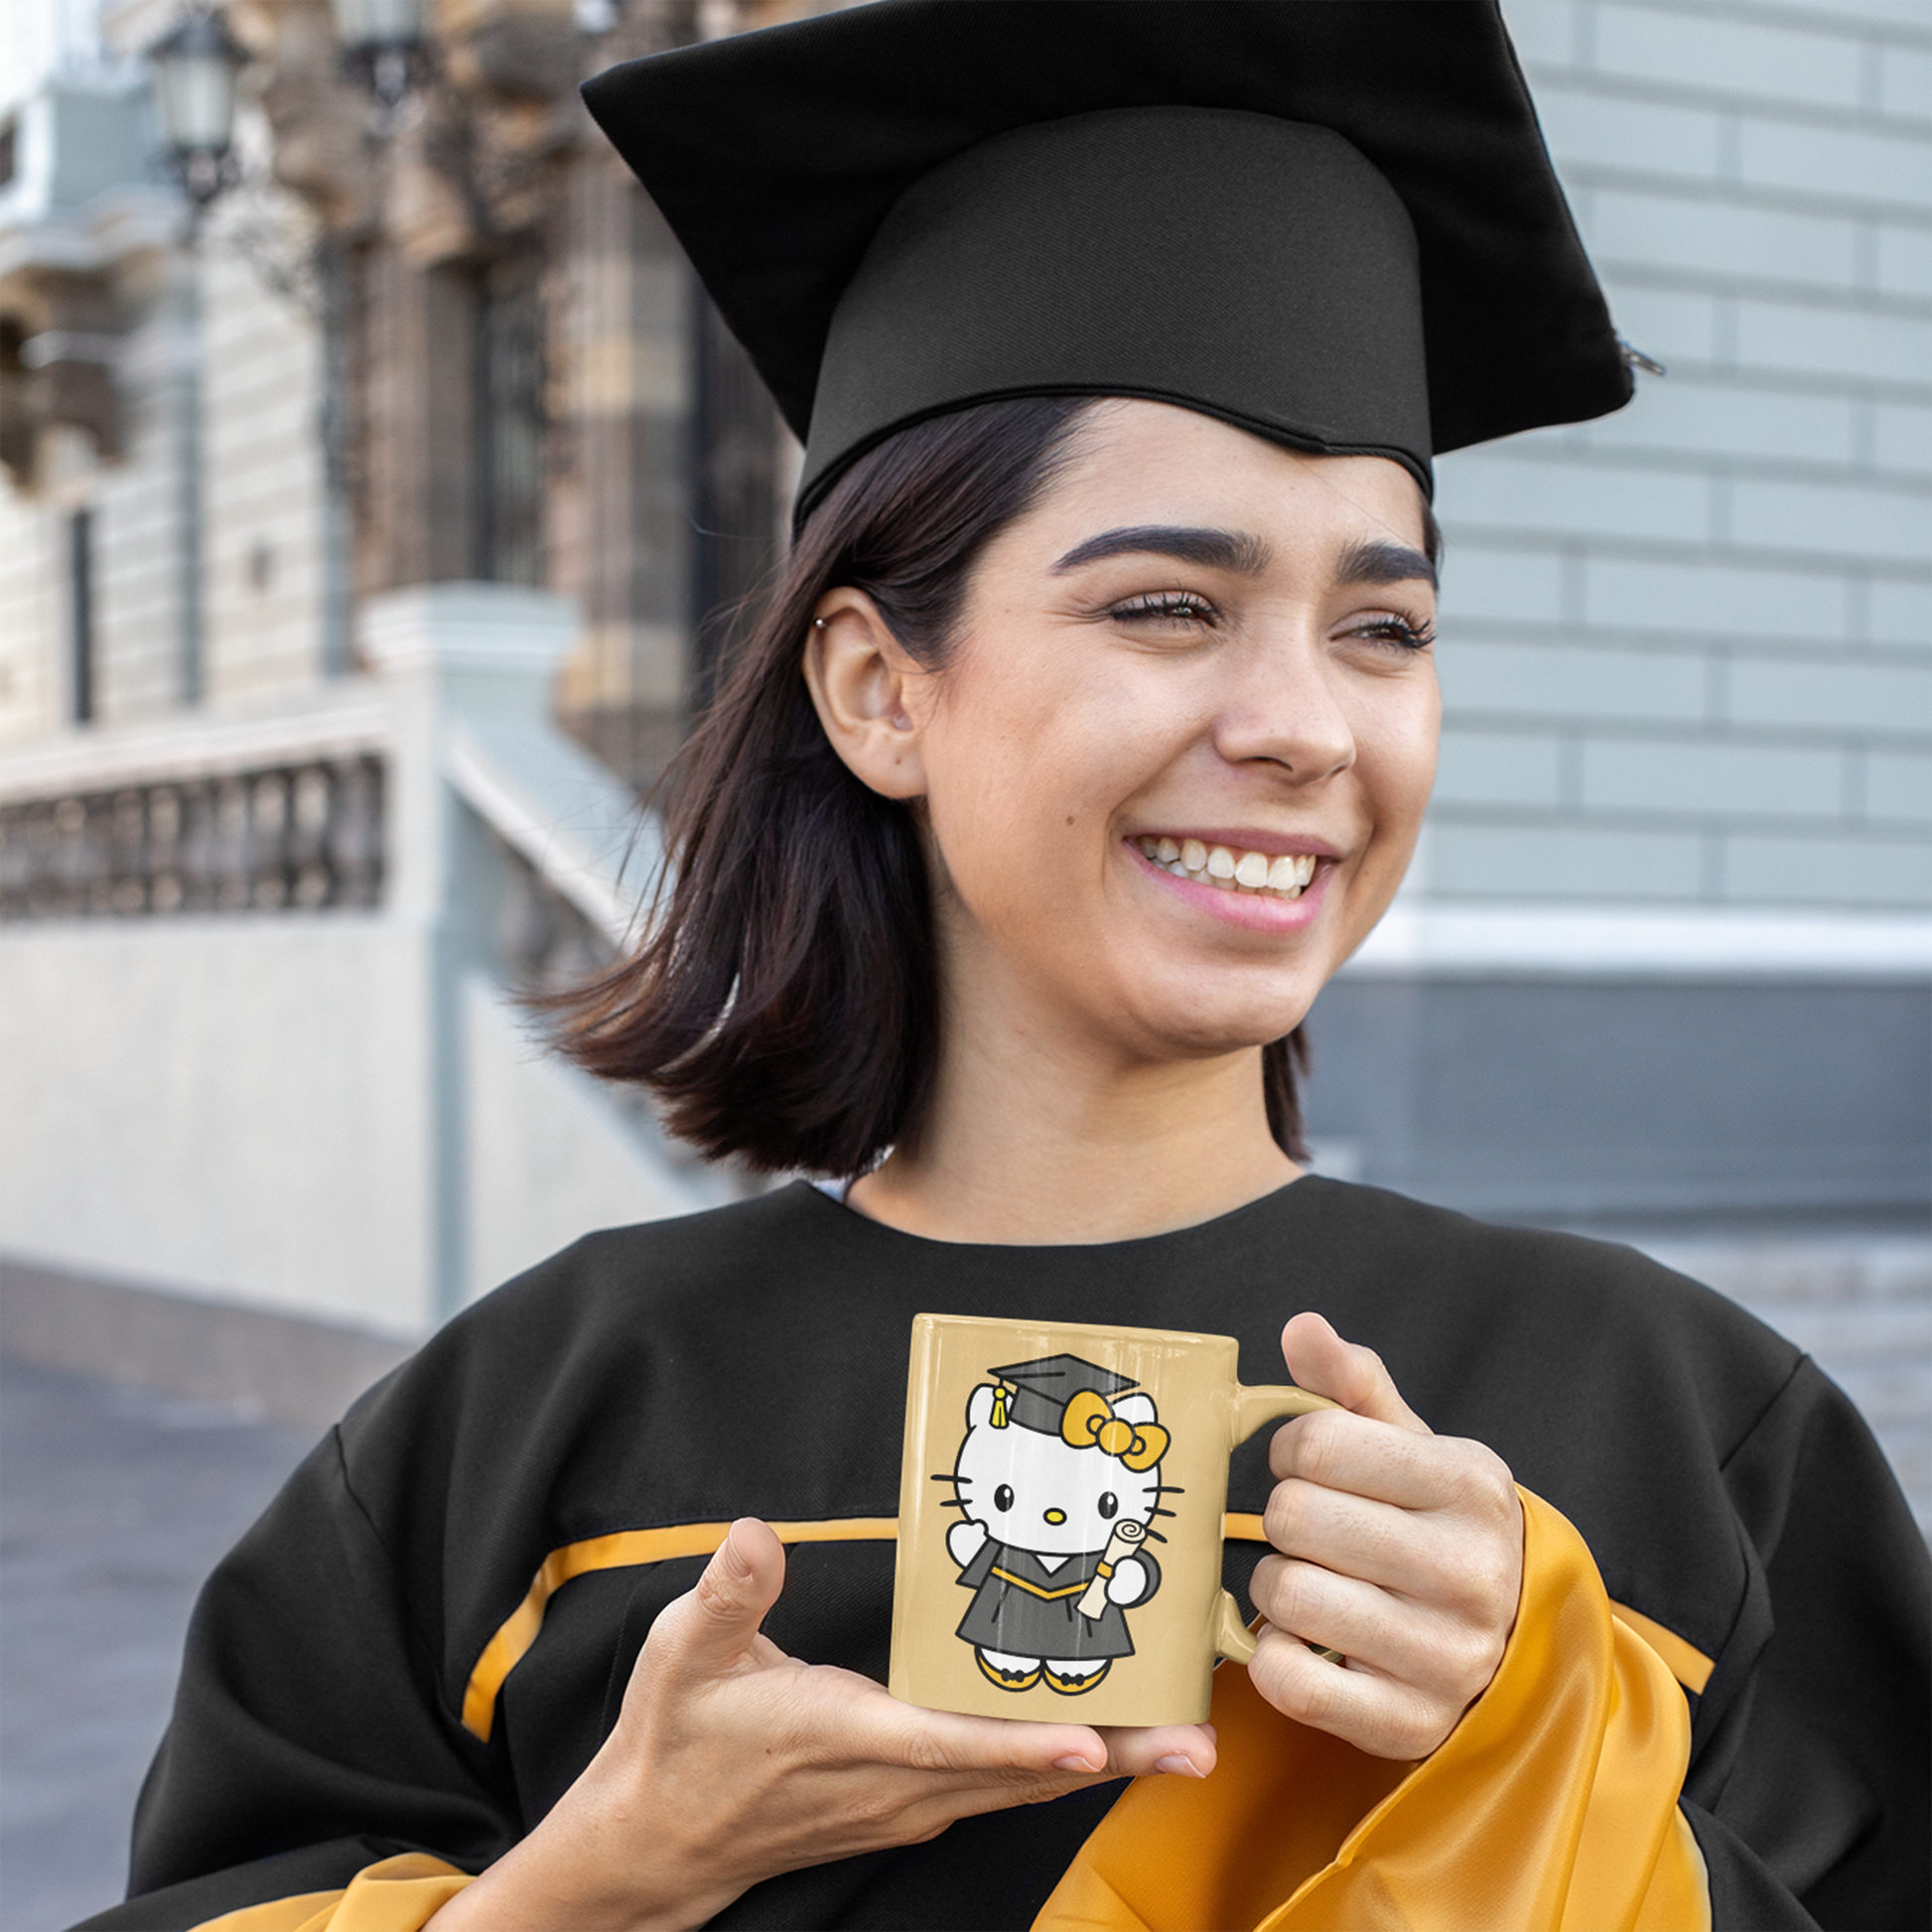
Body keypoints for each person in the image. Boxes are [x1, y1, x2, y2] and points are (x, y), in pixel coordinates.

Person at [76, 2, 1932, 1929]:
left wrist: (1537, 1743)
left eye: (1381, 629)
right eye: (1165, 606)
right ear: (882, 689)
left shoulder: (1661, 1420)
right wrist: (579, 1889)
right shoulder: (536, 1424)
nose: (1306, 721)